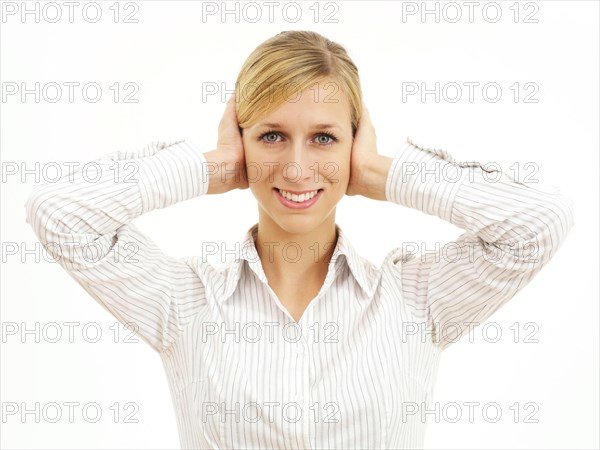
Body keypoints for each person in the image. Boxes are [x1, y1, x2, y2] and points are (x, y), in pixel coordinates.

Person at [24, 30, 575, 449]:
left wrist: (380, 172)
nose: (296, 166)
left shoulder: (417, 299)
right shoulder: (182, 300)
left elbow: (539, 222)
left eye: (323, 138)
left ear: (353, 145)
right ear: (241, 142)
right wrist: (214, 167)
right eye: (271, 136)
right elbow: (59, 213)